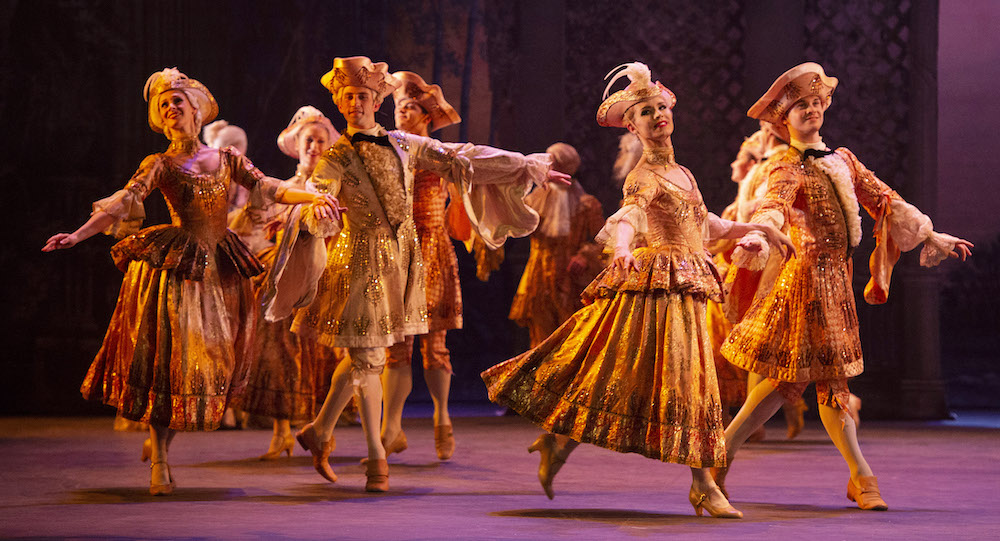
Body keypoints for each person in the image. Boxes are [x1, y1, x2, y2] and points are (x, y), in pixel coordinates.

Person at [481, 62, 794, 518]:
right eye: (646, 112)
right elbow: (631, 214)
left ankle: (563, 445)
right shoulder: (642, 176)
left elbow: (703, 222)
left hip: (687, 283)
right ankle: (701, 482)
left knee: (663, 380)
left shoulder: (684, 173)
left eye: (662, 107)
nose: (658, 115)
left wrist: (755, 228)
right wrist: (624, 247)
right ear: (633, 125)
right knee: (662, 379)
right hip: (659, 285)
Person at [42, 68, 340, 496]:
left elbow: (268, 187)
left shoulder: (227, 161)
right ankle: (161, 460)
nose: (170, 108)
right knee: (171, 363)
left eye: (177, 101)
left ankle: (159, 439)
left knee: (210, 364)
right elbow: (124, 202)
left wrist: (313, 195)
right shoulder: (160, 164)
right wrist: (77, 234)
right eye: (163, 105)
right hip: (179, 269)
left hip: (220, 271)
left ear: (195, 109)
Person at [289, 56, 569, 492]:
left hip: (404, 259)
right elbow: (316, 191)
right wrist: (317, 207)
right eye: (350, 97)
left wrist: (525, 165)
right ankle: (374, 460)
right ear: (342, 105)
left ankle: (322, 432)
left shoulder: (403, 144)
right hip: (361, 261)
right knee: (370, 357)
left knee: (371, 357)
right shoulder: (337, 156)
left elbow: (463, 157)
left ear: (375, 100)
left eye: (365, 96)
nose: (358, 103)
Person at [717, 62, 974, 511]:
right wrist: (759, 234)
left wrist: (933, 235)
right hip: (803, 282)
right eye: (801, 106)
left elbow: (885, 200)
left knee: (809, 384)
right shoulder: (784, 165)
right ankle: (853, 474)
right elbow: (771, 207)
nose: (812, 110)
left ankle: (846, 473)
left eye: (817, 103)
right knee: (798, 382)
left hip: (835, 282)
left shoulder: (843, 159)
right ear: (784, 119)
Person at [230, 106, 341, 459]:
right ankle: (281, 431)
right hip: (282, 274)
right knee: (277, 349)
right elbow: (255, 223)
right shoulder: (287, 188)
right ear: (298, 144)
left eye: (320, 140)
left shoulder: (337, 186)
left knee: (322, 353)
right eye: (309, 140)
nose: (314, 146)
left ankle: (324, 427)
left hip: (326, 273)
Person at [379, 71, 465, 461]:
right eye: (400, 106)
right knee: (396, 345)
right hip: (395, 252)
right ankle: (391, 428)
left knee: (434, 345)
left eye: (412, 107)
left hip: (430, 250)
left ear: (427, 117)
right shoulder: (385, 150)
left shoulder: (439, 155)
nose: (404, 112)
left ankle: (442, 416)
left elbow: (462, 214)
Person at [509, 142, 606, 348]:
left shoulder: (587, 204)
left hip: (570, 278)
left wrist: (585, 255)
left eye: (554, 163)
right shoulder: (533, 200)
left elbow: (604, 241)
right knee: (539, 337)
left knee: (570, 336)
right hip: (538, 274)